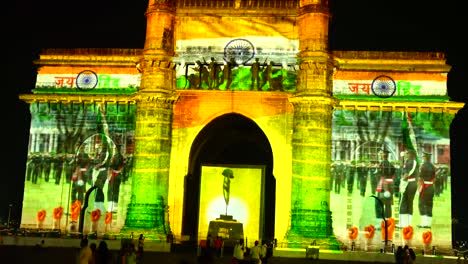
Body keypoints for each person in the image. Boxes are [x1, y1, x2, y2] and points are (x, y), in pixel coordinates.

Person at [398, 149, 419, 228]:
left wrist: (402, 183)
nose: (406, 154)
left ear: (410, 154)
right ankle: (408, 223)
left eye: (407, 153)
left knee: (403, 202)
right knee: (410, 203)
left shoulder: (408, 162)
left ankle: (402, 224)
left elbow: (406, 174)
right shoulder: (415, 163)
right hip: (413, 184)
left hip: (407, 183)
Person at [375, 149, 395, 227]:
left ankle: (380, 223)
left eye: (381, 154)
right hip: (390, 185)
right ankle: (388, 222)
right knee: (388, 205)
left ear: (383, 155)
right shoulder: (391, 165)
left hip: (383, 185)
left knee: (378, 204)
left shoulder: (381, 164)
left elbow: (380, 175)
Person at [418, 151, 436, 228]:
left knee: (421, 204)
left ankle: (424, 223)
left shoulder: (423, 166)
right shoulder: (433, 166)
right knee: (429, 204)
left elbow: (420, 178)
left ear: (425, 158)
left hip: (424, 186)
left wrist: (419, 189)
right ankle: (428, 224)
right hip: (431, 187)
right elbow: (434, 177)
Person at [107, 145, 125, 213]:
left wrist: (109, 174)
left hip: (114, 174)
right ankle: (115, 206)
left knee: (111, 191)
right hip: (119, 175)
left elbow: (111, 165)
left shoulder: (115, 157)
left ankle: (111, 206)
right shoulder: (121, 157)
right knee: (116, 191)